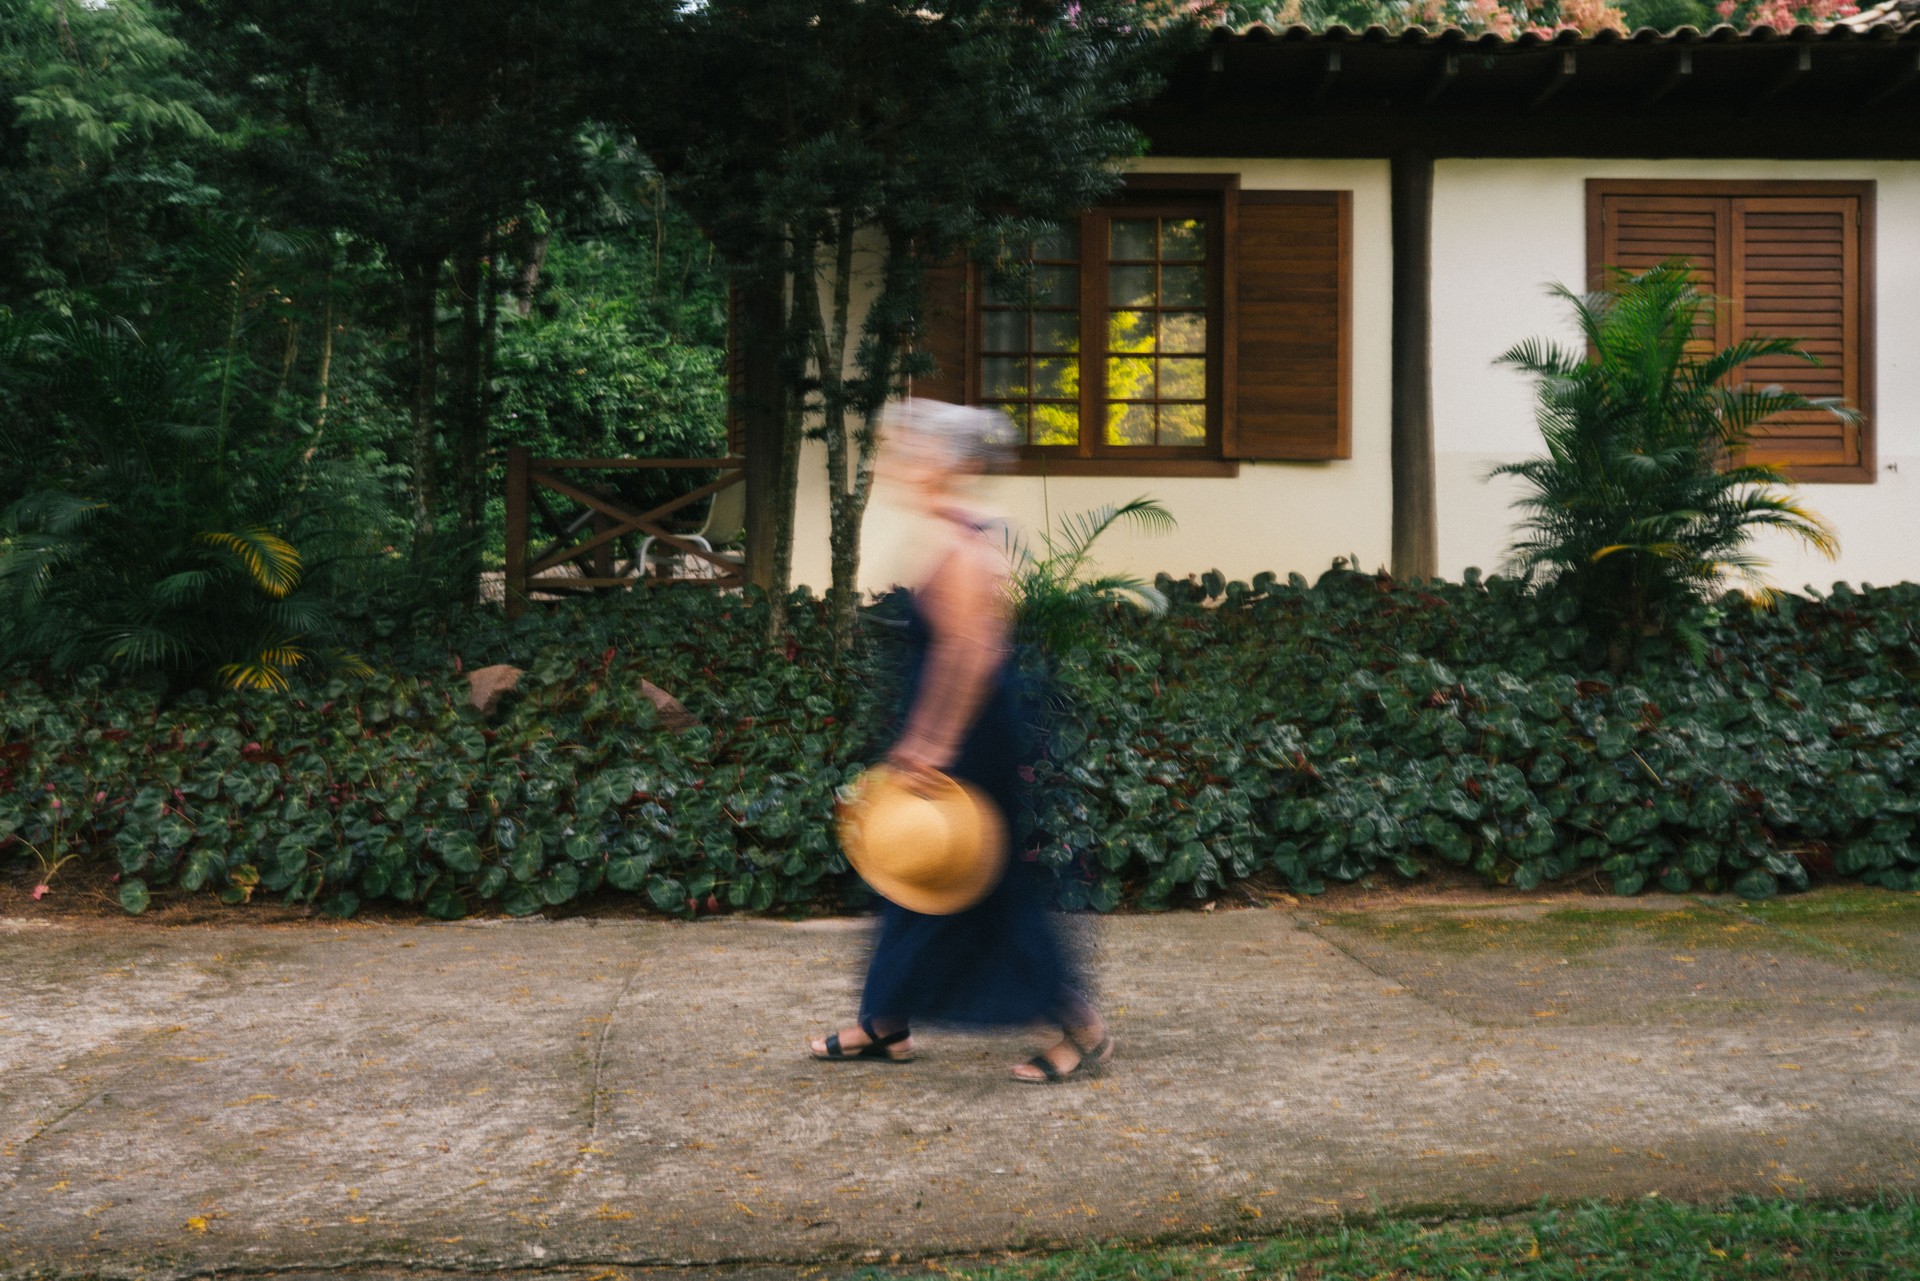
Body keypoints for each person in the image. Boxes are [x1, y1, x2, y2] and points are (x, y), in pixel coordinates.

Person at [807, 400, 1111, 1083]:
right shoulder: (948, 531)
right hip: (953, 729)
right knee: (914, 870)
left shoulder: (963, 546)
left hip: (973, 736)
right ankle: (885, 1019)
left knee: (979, 882)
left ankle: (1081, 1026)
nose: (897, 465)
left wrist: (931, 743)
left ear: (944, 464)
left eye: (909, 452)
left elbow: (971, 653)